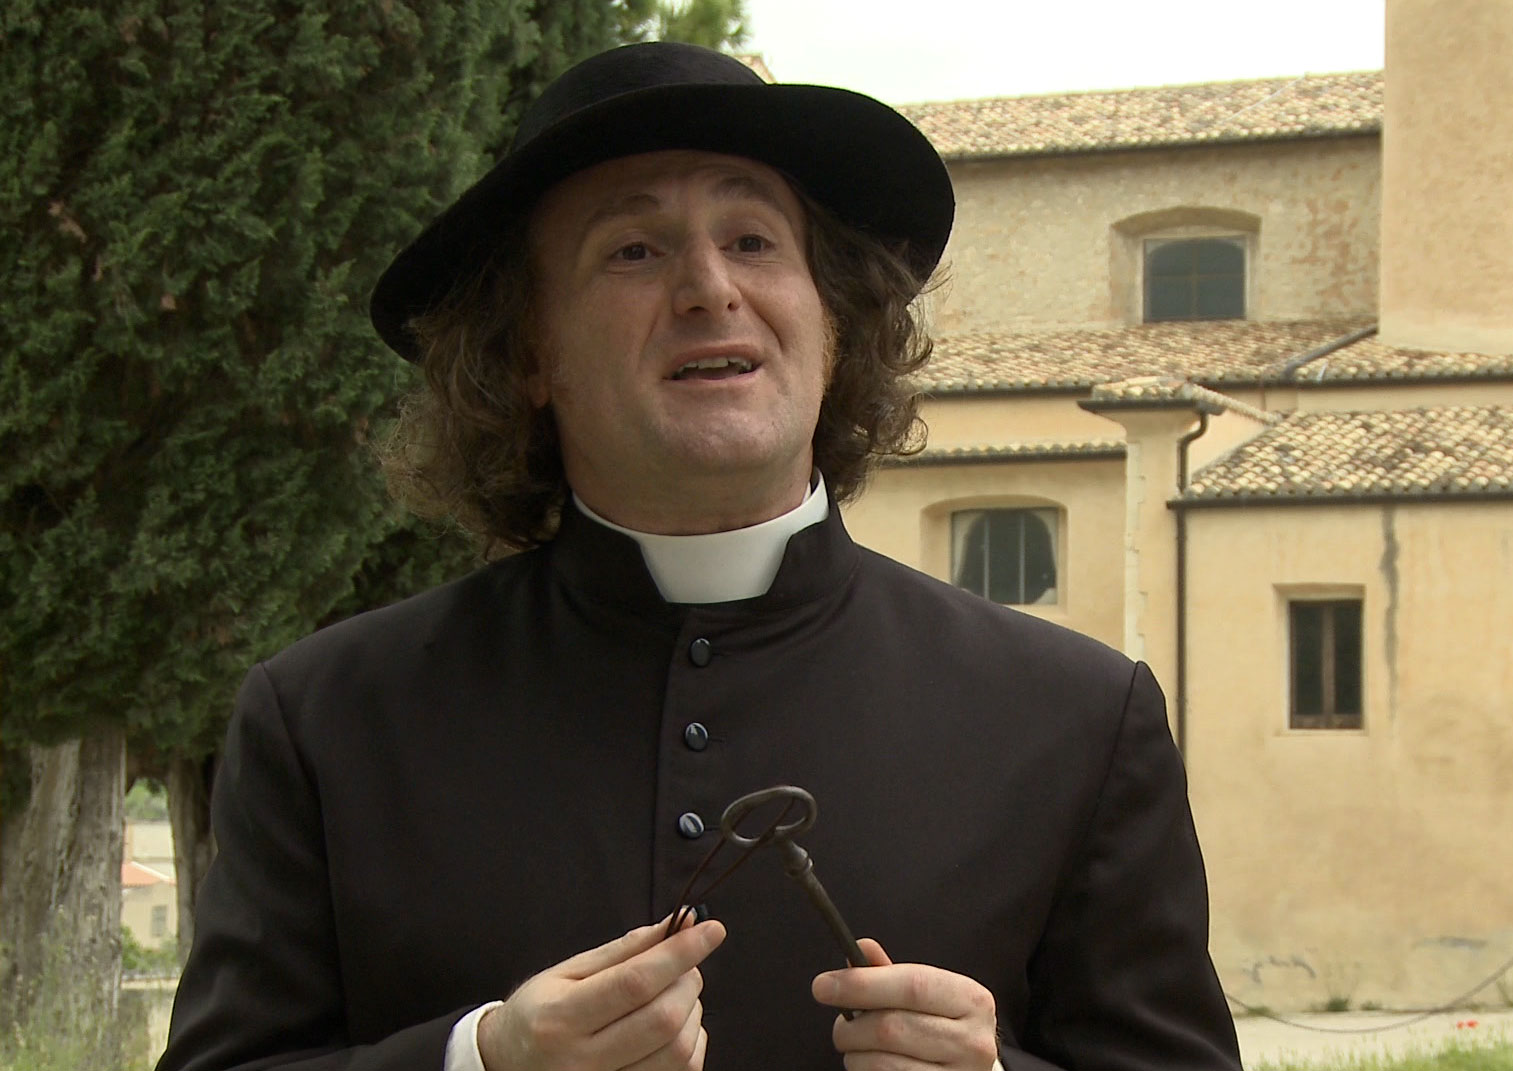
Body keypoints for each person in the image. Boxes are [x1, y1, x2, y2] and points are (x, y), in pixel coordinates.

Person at [157, 42, 1239, 1071]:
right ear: (526, 352)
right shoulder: (329, 721)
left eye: (754, 241)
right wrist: (483, 1058)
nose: (710, 288)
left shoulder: (1079, 721)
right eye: (633, 250)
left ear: (834, 323)